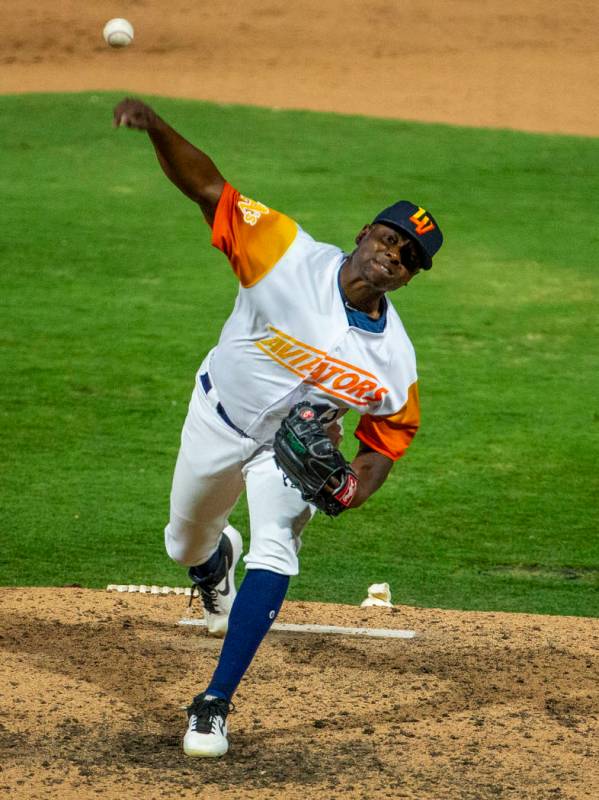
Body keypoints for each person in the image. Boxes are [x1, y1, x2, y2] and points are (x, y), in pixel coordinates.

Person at [113, 97, 443, 758]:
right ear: (363, 234)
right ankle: (212, 562)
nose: (391, 256)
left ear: (409, 277)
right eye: (387, 239)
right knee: (183, 541)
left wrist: (351, 491)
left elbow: (386, 441)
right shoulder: (283, 252)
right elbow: (209, 190)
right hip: (217, 418)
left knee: (279, 548)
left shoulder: (392, 362)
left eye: (406, 257)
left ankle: (213, 703)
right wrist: (156, 127)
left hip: (291, 454)